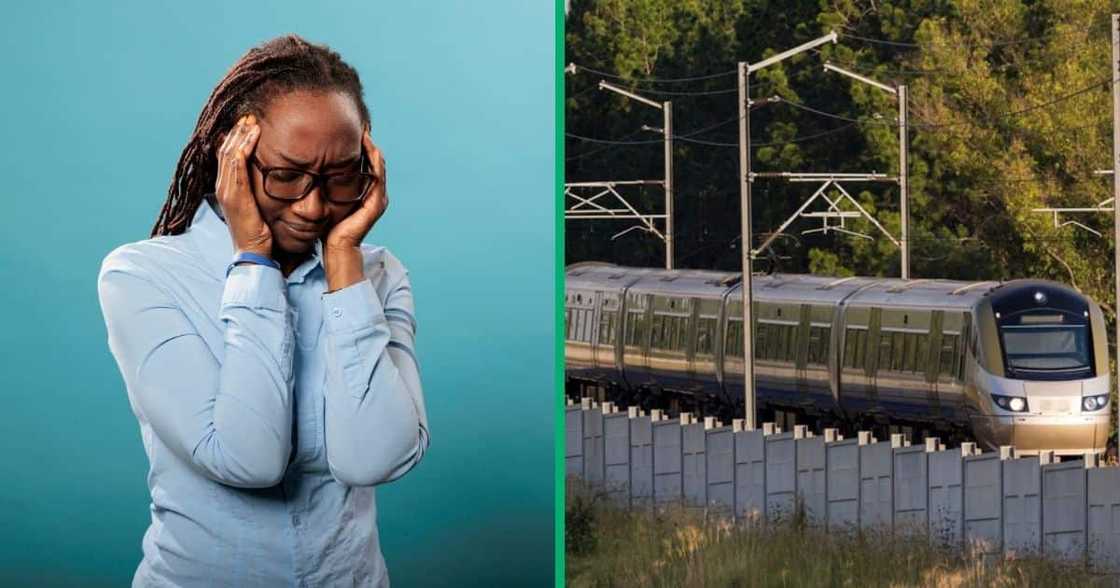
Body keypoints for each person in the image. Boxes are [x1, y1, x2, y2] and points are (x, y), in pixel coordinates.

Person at [97, 35, 429, 587]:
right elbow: (246, 458)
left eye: (340, 176)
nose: (313, 206)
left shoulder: (376, 274)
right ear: (231, 155)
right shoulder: (141, 276)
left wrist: (343, 264)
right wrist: (254, 262)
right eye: (287, 175)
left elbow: (375, 459)